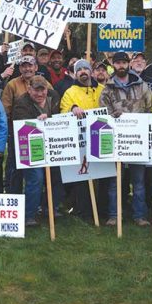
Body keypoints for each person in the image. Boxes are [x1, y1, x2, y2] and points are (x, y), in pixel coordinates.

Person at [99, 52, 152, 226]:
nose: (121, 66)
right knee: (115, 181)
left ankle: (140, 215)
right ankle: (114, 215)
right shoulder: (107, 89)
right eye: (118, 63)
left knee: (138, 181)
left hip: (138, 141)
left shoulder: (142, 85)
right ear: (113, 65)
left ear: (129, 64)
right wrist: (112, 115)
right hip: (117, 142)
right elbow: (102, 112)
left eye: (124, 62)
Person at [12, 75, 60, 226]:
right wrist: (38, 120)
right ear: (29, 89)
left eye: (42, 90)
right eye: (36, 90)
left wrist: (50, 118)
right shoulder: (21, 103)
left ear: (47, 89)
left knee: (56, 176)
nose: (40, 94)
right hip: (32, 146)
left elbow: (61, 117)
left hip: (53, 144)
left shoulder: (54, 96)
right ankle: (29, 215)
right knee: (36, 179)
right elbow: (21, 125)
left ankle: (51, 208)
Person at [61, 59, 105, 220]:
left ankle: (100, 211)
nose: (83, 72)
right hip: (80, 141)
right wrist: (72, 108)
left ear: (91, 71)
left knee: (101, 177)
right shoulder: (70, 92)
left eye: (86, 68)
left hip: (100, 139)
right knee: (82, 178)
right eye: (79, 70)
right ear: (75, 73)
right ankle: (83, 211)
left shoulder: (102, 89)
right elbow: (64, 109)